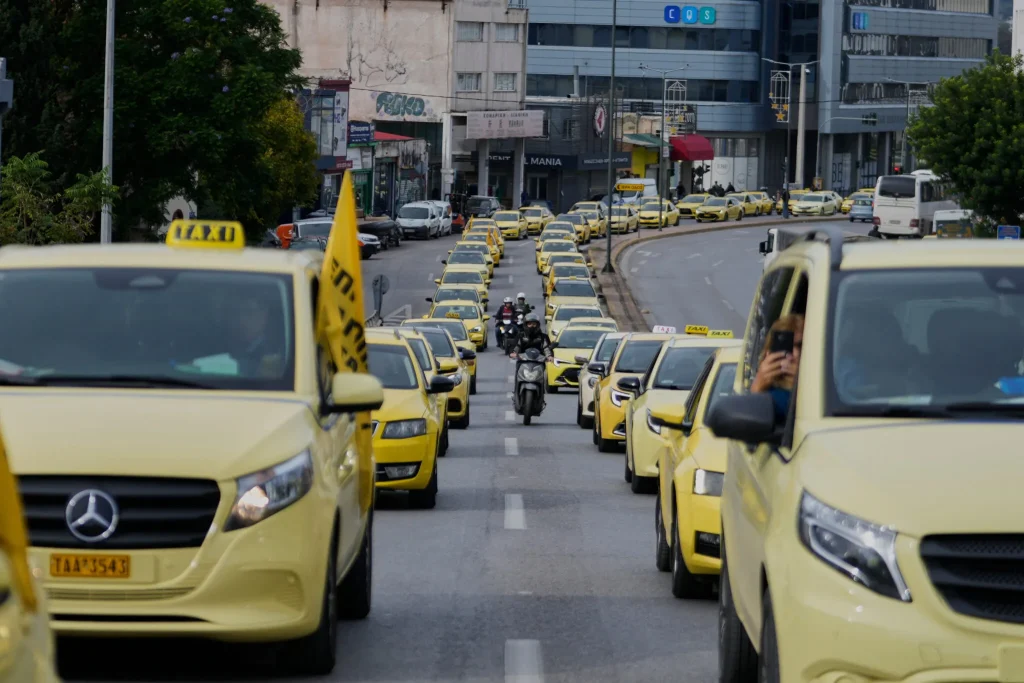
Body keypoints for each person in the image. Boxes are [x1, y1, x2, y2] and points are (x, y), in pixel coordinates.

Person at [750, 314, 803, 423]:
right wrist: (757, 388)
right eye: (786, 347)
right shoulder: (769, 398)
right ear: (769, 353)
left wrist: (803, 385)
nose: (795, 354)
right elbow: (750, 429)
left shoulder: (831, 388)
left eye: (801, 346)